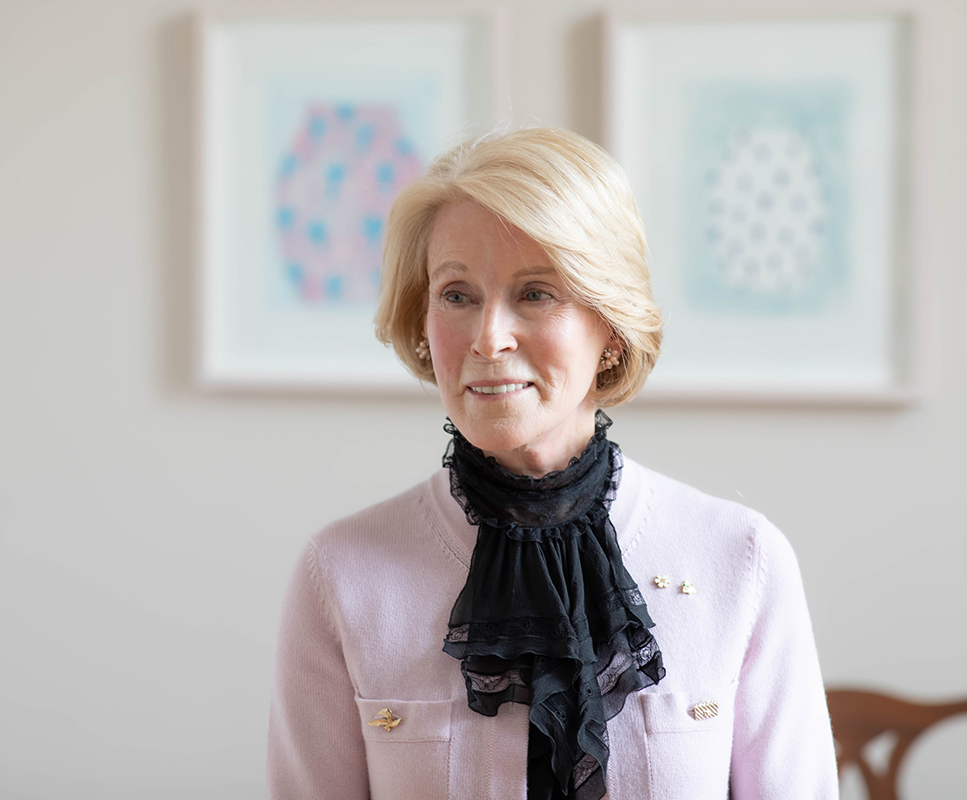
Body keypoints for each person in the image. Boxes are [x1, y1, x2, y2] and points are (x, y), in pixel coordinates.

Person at [267, 127, 838, 800]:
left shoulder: (741, 560)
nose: (488, 337)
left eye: (536, 293)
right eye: (457, 294)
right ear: (422, 321)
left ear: (611, 331)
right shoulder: (340, 574)